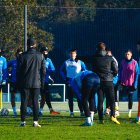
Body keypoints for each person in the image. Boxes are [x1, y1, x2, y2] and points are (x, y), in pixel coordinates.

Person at [17, 38, 46, 127]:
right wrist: (42, 82)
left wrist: (19, 82)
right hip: (36, 82)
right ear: (35, 45)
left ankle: (23, 121)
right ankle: (35, 121)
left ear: (27, 44)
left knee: (24, 102)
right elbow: (43, 71)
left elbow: (19, 71)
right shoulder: (40, 55)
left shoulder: (22, 56)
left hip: (25, 82)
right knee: (35, 102)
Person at [92, 42, 120, 124]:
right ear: (105, 49)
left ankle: (101, 119)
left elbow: (92, 67)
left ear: (97, 49)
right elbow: (116, 70)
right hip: (109, 81)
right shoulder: (110, 58)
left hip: (99, 81)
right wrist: (111, 75)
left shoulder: (94, 58)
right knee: (112, 99)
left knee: (100, 101)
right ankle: (113, 116)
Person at [60, 49, 86, 117]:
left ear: (76, 54)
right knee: (70, 98)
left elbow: (85, 70)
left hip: (77, 82)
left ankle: (81, 111)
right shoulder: (66, 62)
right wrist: (65, 78)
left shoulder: (80, 62)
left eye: (73, 53)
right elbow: (61, 70)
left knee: (79, 97)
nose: (72, 55)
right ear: (69, 54)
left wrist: (81, 77)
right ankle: (71, 112)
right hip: (69, 81)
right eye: (71, 53)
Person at [39, 46, 60, 116]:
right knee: (35, 96)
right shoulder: (38, 59)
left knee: (45, 96)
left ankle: (42, 110)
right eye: (44, 51)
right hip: (37, 80)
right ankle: (30, 109)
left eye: (46, 52)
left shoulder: (48, 60)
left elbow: (53, 69)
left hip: (45, 81)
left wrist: (47, 70)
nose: (45, 53)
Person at [118, 49, 139, 118]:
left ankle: (129, 111)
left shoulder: (135, 63)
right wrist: (119, 80)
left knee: (130, 97)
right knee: (118, 97)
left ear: (131, 55)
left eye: (128, 54)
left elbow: (137, 73)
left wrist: (135, 84)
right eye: (126, 54)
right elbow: (120, 71)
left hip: (131, 84)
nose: (127, 55)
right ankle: (116, 112)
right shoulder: (122, 62)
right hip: (123, 83)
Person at [7, 48, 23, 117]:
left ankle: (22, 111)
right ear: (16, 54)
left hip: (21, 82)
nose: (20, 55)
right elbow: (5, 67)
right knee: (13, 97)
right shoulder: (12, 62)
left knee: (23, 97)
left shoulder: (24, 62)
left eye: (21, 54)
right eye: (19, 54)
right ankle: (14, 112)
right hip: (13, 82)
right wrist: (8, 74)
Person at [105, 48, 120, 117]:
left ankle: (116, 111)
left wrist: (112, 77)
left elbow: (116, 71)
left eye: (108, 53)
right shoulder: (107, 59)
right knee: (108, 95)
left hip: (113, 80)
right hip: (109, 80)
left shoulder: (112, 59)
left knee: (112, 96)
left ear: (110, 53)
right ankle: (108, 109)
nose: (106, 54)